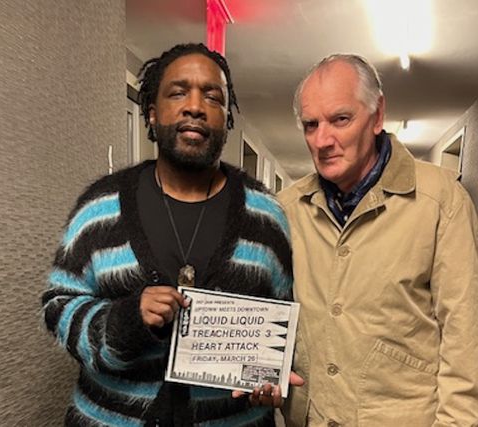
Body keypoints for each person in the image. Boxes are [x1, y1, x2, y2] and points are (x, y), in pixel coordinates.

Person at [41, 43, 294, 426]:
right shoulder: (99, 208)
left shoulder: (266, 216)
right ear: (152, 112)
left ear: (226, 119)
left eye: (213, 96)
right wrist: (125, 321)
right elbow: (60, 305)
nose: (195, 106)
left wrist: (271, 375)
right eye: (178, 92)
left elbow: (283, 318)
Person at [278, 54, 478, 426]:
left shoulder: (441, 200)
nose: (322, 140)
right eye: (310, 125)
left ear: (377, 116)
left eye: (340, 119)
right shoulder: (287, 208)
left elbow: (466, 342)